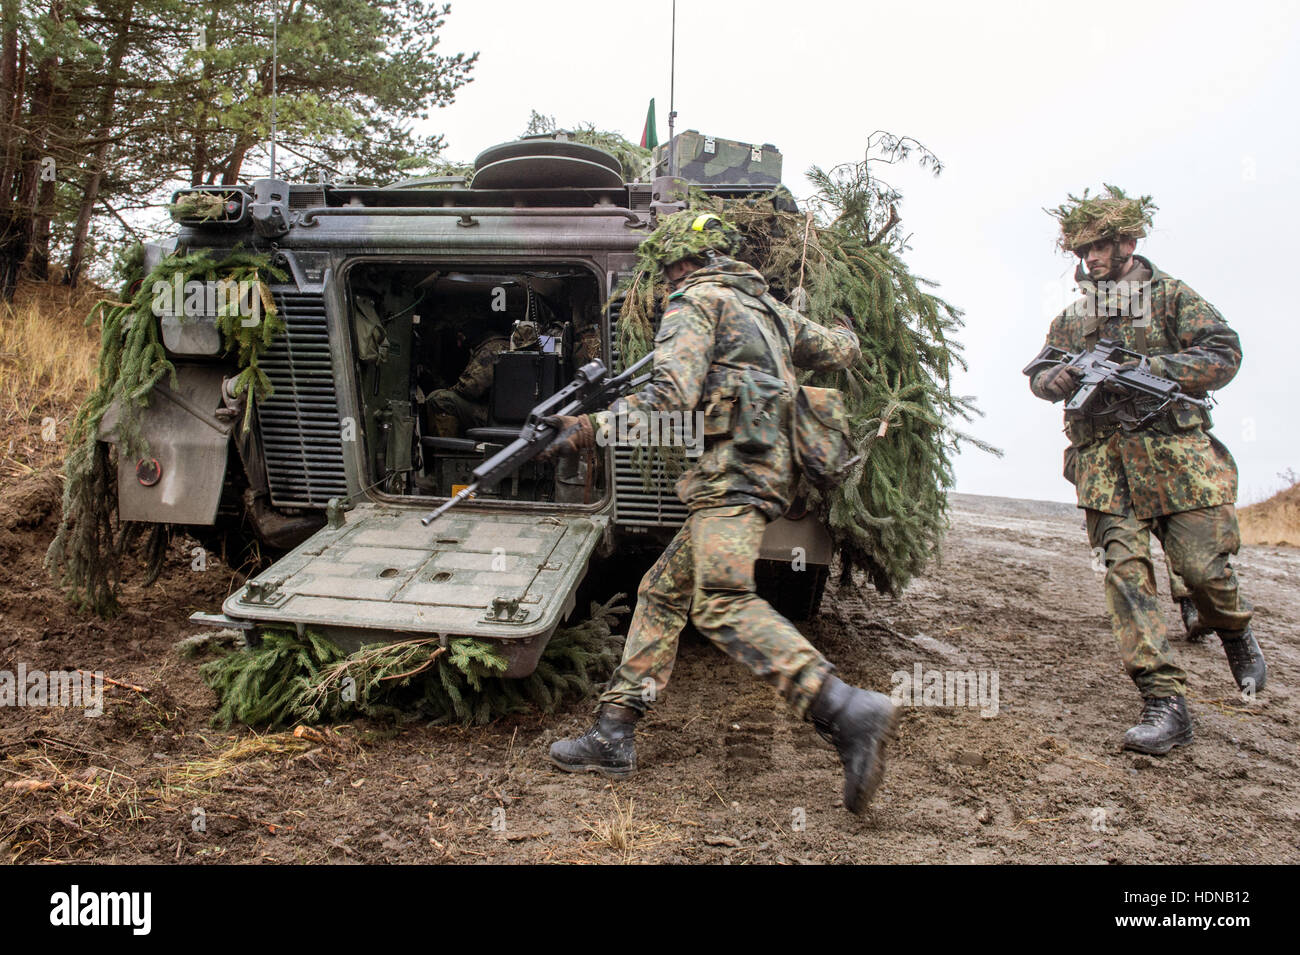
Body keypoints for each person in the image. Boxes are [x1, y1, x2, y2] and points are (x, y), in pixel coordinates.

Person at [543, 210, 898, 814]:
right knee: (661, 590)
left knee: (722, 601)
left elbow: (668, 401)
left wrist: (588, 428)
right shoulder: (769, 309)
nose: (662, 282)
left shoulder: (694, 301)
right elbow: (840, 350)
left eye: (663, 271)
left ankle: (843, 707)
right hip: (761, 472)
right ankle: (614, 732)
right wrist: (844, 326)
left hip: (732, 476)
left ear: (678, 264)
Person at [1029, 186, 1265, 755]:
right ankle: (1164, 703)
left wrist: (1151, 368)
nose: (1090, 260)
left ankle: (1235, 632)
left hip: (1179, 463)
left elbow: (1224, 353)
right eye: (1083, 251)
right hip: (1106, 470)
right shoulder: (1073, 319)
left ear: (1128, 242)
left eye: (1099, 248)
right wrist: (1053, 382)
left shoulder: (1172, 298)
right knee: (1126, 578)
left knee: (1203, 571)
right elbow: (1039, 371)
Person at [425, 320, 510, 437]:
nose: (460, 344)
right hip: (501, 414)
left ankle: (447, 450)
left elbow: (471, 387)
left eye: (461, 338)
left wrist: (450, 389)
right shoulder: (502, 344)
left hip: (493, 417)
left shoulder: (492, 349)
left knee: (440, 400)